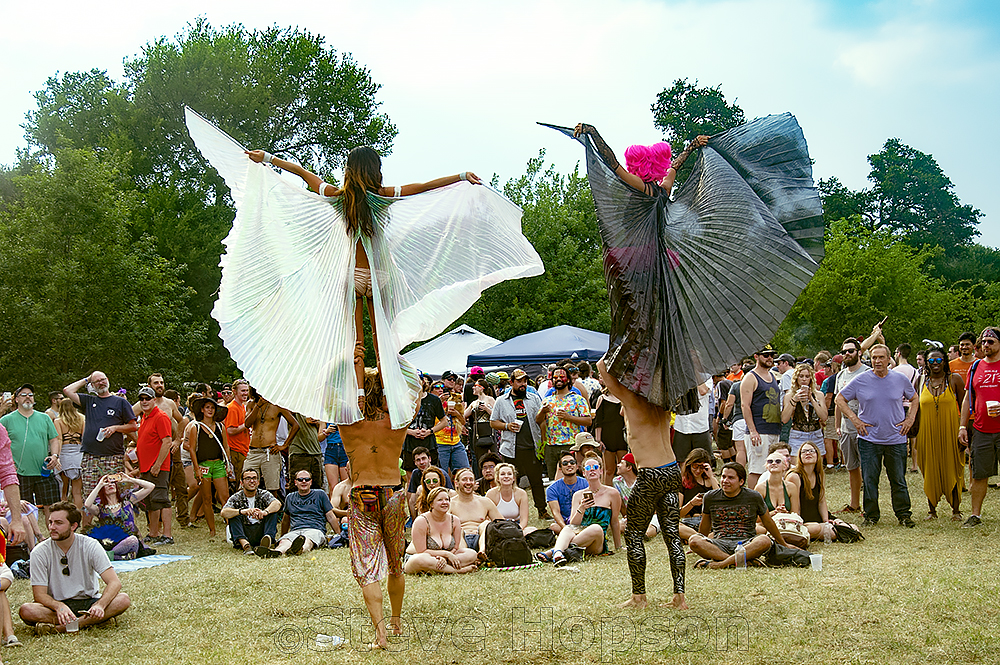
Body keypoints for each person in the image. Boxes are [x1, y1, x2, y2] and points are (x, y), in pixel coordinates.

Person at [186, 109, 542, 433]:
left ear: (349, 170)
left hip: (350, 276)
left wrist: (267, 159)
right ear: (374, 170)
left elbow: (303, 175)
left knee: (354, 342)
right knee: (381, 339)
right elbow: (422, 189)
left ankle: (357, 396)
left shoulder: (340, 198)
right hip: (381, 276)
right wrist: (460, 177)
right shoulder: (384, 195)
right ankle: (389, 391)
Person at [338, 361, 416, 652]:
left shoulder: (348, 424)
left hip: (362, 495)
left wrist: (352, 361)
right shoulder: (397, 421)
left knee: (367, 567)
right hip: (393, 492)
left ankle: (381, 634)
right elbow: (413, 390)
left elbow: (331, 392)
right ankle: (396, 622)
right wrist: (385, 364)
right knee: (396, 564)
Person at [598, 357, 686, 610]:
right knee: (672, 537)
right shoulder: (665, 402)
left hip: (651, 474)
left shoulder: (633, 399)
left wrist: (618, 348)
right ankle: (679, 598)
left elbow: (603, 369)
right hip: (671, 470)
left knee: (634, 535)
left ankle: (639, 598)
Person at [835, 344, 917, 527]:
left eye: (881, 357)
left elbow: (914, 398)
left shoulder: (900, 379)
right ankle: (871, 516)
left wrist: (909, 420)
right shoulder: (861, 379)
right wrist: (855, 420)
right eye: (874, 358)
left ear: (889, 359)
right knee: (870, 479)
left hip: (895, 438)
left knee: (898, 479)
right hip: (869, 439)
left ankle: (904, 515)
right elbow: (839, 399)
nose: (877, 361)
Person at [19, 502, 130, 631]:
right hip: (55, 606)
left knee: (123, 599)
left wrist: (100, 605)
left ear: (73, 526)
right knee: (27, 610)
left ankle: (62, 628)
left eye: (58, 523)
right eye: (50, 522)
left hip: (88, 601)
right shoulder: (39, 552)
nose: (52, 527)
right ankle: (92, 621)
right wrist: (58, 606)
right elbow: (39, 595)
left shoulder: (90, 545)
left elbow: (114, 582)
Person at [689, 463, 791, 569]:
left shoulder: (754, 496)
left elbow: (768, 522)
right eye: (723, 477)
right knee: (694, 540)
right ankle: (741, 561)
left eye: (731, 478)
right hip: (720, 543)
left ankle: (721, 564)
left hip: (746, 544)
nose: (725, 481)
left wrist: (783, 543)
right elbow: (705, 525)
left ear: (741, 481)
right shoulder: (710, 497)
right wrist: (699, 542)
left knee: (764, 540)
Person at [62, 372, 137, 507]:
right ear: (92, 385)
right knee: (89, 497)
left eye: (102, 380)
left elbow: (133, 426)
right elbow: (67, 390)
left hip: (113, 457)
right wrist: (87, 379)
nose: (100, 383)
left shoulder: (120, 402)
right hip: (91, 457)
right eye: (96, 381)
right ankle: (88, 527)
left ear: (107, 380)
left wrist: (115, 428)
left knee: (114, 495)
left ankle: (115, 525)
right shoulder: (89, 401)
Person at [537, 455, 621, 566]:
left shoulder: (612, 493)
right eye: (588, 468)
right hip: (579, 535)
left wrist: (618, 546)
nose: (591, 469)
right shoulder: (578, 495)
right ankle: (558, 553)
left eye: (595, 467)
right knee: (567, 528)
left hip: (597, 540)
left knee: (596, 528)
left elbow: (614, 521)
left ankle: (554, 551)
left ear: (600, 471)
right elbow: (573, 524)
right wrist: (581, 508)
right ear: (583, 473)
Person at [912, 347, 965, 520]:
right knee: (929, 468)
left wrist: (964, 430)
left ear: (944, 361)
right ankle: (931, 510)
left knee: (953, 466)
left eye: (939, 360)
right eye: (931, 361)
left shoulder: (954, 379)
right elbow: (915, 409)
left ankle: (956, 511)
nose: (935, 364)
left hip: (950, 431)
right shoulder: (920, 381)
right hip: (926, 432)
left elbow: (965, 406)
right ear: (926, 363)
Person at [491, 369, 549, 520]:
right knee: (510, 482)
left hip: (532, 447)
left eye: (524, 381)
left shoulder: (534, 398)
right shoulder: (501, 401)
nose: (523, 384)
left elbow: (539, 420)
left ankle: (542, 511)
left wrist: (543, 413)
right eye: (519, 381)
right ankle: (512, 513)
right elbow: (493, 422)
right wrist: (506, 426)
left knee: (536, 481)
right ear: (511, 383)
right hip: (511, 449)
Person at [958, 327, 1000, 527]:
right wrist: (962, 426)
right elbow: (967, 398)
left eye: (990, 342)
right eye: (983, 342)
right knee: (979, 474)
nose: (986, 345)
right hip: (981, 429)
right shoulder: (976, 367)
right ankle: (976, 515)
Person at [1, 384, 61, 522]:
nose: (28, 397)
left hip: (44, 471)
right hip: (19, 473)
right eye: (23, 394)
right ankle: (29, 541)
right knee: (23, 510)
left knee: (52, 508)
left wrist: (54, 456)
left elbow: (54, 439)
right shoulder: (7, 419)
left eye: (30, 395)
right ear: (16, 400)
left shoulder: (44, 418)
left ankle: (53, 537)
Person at [183, 395, 231, 538]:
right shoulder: (195, 427)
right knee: (207, 498)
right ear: (202, 410)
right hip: (203, 464)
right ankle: (212, 530)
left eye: (212, 408)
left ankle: (231, 528)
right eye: (207, 407)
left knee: (225, 498)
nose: (210, 410)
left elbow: (226, 446)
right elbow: (191, 449)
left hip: (218, 464)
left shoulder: (220, 426)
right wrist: (196, 469)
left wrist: (228, 463)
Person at [260, 470, 336, 557]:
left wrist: (338, 534)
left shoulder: (320, 494)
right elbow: (286, 519)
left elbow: (330, 516)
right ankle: (276, 552)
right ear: (295, 482)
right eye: (300, 480)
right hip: (295, 531)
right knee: (285, 541)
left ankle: (300, 549)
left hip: (314, 530)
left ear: (311, 482)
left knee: (307, 540)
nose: (304, 481)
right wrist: (283, 535)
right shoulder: (290, 497)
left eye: (307, 479)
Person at [403, 487, 478, 575]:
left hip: (445, 558)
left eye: (447, 499)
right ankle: (459, 570)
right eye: (440, 500)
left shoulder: (455, 520)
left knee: (471, 553)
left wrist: (446, 557)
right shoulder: (421, 521)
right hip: (423, 558)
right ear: (431, 504)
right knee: (420, 559)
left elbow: (456, 547)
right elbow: (421, 551)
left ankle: (437, 569)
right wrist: (446, 554)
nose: (444, 502)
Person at [538, 367, 592, 481]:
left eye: (561, 377)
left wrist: (569, 417)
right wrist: (543, 412)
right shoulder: (547, 400)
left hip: (571, 445)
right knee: (554, 479)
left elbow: (588, 420)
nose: (558, 379)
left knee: (574, 478)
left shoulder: (578, 399)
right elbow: (538, 421)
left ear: (568, 380)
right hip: (551, 446)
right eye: (555, 377)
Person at [83, 474, 154, 560]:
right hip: (110, 543)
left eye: (113, 483)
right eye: (107, 484)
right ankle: (116, 556)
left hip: (128, 541)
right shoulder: (100, 509)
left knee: (133, 540)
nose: (110, 485)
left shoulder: (128, 501)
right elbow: (87, 504)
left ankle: (108, 556)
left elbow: (150, 486)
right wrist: (100, 484)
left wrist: (129, 479)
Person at [244, 394, 297, 495]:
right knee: (247, 484)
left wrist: (284, 445)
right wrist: (257, 406)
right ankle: (250, 509)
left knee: (272, 488)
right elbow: (247, 424)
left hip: (270, 451)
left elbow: (295, 425)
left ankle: (272, 510)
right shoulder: (251, 404)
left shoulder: (277, 405)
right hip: (253, 451)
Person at [220, 468, 281, 554]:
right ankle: (246, 546)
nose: (252, 481)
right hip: (245, 531)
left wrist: (265, 512)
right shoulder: (236, 497)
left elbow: (277, 503)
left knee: (272, 512)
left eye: (254, 478)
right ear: (242, 483)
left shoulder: (264, 494)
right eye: (248, 478)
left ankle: (267, 541)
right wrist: (242, 511)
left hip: (261, 530)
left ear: (258, 482)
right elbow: (224, 512)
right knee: (233, 514)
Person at [786, 442, 837, 542]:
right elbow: (796, 507)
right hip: (801, 519)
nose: (808, 453)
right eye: (804, 451)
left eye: (811, 451)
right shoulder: (794, 477)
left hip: (816, 516)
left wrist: (826, 521)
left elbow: (822, 500)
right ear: (799, 457)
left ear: (818, 455)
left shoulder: (819, 474)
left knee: (851, 528)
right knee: (826, 531)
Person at [449, 467, 502, 555]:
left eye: (471, 480)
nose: (468, 482)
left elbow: (500, 522)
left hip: (482, 538)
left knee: (485, 524)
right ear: (456, 483)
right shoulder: (450, 504)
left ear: (474, 483)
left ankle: (482, 552)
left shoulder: (485, 501)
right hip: (460, 540)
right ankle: (466, 555)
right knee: (458, 528)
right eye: (464, 480)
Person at [781, 363, 828, 456]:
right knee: (796, 467)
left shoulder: (819, 395)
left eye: (807, 376)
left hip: (816, 434)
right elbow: (784, 419)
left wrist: (812, 400)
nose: (804, 379)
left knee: (816, 468)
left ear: (811, 378)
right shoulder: (790, 395)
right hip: (797, 435)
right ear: (796, 378)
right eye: (801, 376)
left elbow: (824, 417)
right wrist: (794, 400)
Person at [613, 453, 659, 540]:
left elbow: (654, 506)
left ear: (629, 467)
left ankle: (644, 534)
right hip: (632, 516)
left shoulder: (644, 482)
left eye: (621, 463)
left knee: (651, 526)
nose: (618, 465)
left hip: (650, 515)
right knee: (618, 526)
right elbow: (622, 505)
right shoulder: (617, 482)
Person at [486, 462, 538, 537]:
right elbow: (487, 519)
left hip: (516, 526)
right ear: (497, 478)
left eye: (509, 474)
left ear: (513, 478)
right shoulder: (491, 494)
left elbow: (524, 520)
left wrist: (517, 530)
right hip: (497, 528)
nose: (506, 476)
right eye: (503, 474)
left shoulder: (521, 493)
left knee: (532, 530)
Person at [545, 452, 589, 534]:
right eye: (565, 463)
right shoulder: (551, 489)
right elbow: (556, 512)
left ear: (576, 466)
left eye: (572, 462)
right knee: (554, 527)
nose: (569, 465)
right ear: (560, 468)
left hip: (583, 520)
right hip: (564, 522)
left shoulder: (586, 483)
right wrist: (565, 529)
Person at [52, 398, 85, 508]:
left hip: (65, 453)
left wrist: (57, 456)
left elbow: (59, 439)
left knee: (63, 491)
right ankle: (78, 517)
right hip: (78, 453)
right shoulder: (82, 419)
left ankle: (64, 516)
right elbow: (84, 438)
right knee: (77, 493)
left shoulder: (58, 421)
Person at [593, 385, 627, 484]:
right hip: (607, 438)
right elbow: (598, 421)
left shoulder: (624, 398)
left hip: (622, 438)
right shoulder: (602, 398)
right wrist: (598, 440)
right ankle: (607, 492)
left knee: (624, 469)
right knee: (609, 470)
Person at [465, 380, 496, 473]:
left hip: (489, 430)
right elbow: (464, 415)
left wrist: (486, 409)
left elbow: (496, 415)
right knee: (479, 457)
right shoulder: (474, 402)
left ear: (481, 388)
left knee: (492, 455)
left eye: (475, 386)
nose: (473, 388)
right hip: (477, 432)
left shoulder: (490, 399)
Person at [223, 379, 252, 481]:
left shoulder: (243, 406)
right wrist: (247, 424)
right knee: (237, 481)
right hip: (235, 450)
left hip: (244, 449)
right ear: (234, 391)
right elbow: (230, 430)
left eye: (246, 390)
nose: (245, 393)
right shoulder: (232, 408)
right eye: (242, 391)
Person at [322, 423, 348, 498]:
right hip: (331, 449)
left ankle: (346, 508)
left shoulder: (346, 416)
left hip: (345, 448)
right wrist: (326, 431)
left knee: (346, 486)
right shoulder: (326, 417)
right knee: (333, 487)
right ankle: (334, 508)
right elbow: (319, 438)